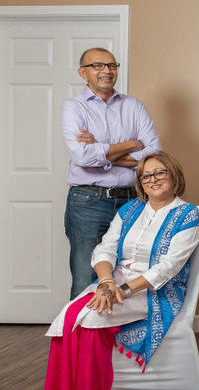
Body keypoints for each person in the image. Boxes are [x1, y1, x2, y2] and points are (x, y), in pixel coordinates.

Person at [22, 152, 199, 390]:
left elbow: (168, 267)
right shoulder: (130, 210)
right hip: (113, 281)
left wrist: (124, 289)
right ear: (141, 184)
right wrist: (107, 282)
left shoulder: (189, 215)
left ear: (174, 175)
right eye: (146, 176)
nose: (153, 180)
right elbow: (105, 249)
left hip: (153, 290)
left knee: (93, 319)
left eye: (160, 173)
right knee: (67, 318)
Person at [62, 47, 161, 298]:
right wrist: (130, 144)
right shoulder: (73, 108)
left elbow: (153, 154)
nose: (106, 70)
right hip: (88, 202)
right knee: (87, 276)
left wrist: (102, 152)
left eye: (112, 65)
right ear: (83, 72)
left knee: (128, 271)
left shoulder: (133, 106)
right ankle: (83, 336)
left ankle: (117, 337)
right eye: (97, 65)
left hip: (132, 199)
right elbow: (81, 157)